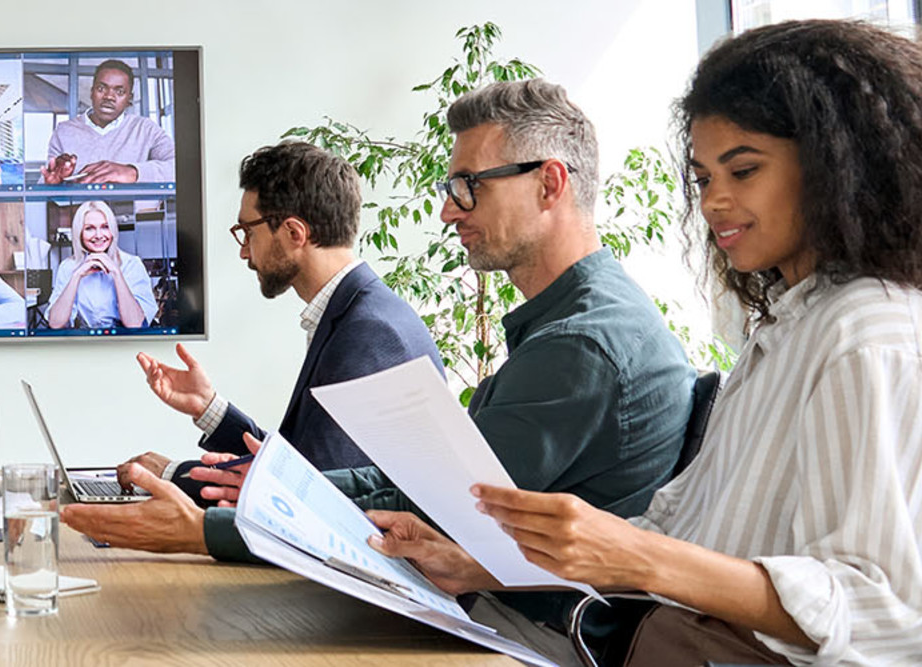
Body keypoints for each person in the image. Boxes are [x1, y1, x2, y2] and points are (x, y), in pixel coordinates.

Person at [371, 20, 922, 665]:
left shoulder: (868, 335)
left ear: (837, 168)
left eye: (742, 171)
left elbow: (886, 612)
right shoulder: (784, 324)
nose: (715, 202)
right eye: (702, 177)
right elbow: (673, 533)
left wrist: (637, 554)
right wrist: (480, 566)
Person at [65, 79, 695, 638]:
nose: (448, 210)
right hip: (497, 609)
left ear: (550, 183)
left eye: (466, 188)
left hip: (525, 631)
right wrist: (247, 488)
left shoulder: (579, 345)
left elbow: (433, 510)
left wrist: (209, 525)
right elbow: (415, 487)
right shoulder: (571, 325)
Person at [93, 141, 441, 507]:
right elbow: (298, 466)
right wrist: (207, 407)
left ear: (294, 233)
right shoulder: (357, 311)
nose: (244, 250)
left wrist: (169, 475)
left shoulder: (369, 332)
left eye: (249, 232)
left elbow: (307, 496)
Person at [40, 59, 176, 184]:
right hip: (79, 211)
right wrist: (54, 184)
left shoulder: (146, 129)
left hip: (132, 211)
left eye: (120, 91)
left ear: (129, 99)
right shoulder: (64, 131)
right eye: (101, 88)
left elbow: (179, 167)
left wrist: (132, 172)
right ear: (92, 92)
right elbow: (47, 180)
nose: (109, 96)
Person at [45, 200, 157, 328]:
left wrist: (117, 274)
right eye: (89, 228)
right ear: (79, 233)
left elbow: (135, 324)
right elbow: (55, 323)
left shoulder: (132, 264)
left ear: (113, 230)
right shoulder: (68, 266)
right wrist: (76, 276)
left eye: (105, 227)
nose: (99, 235)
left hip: (125, 341)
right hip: (87, 342)